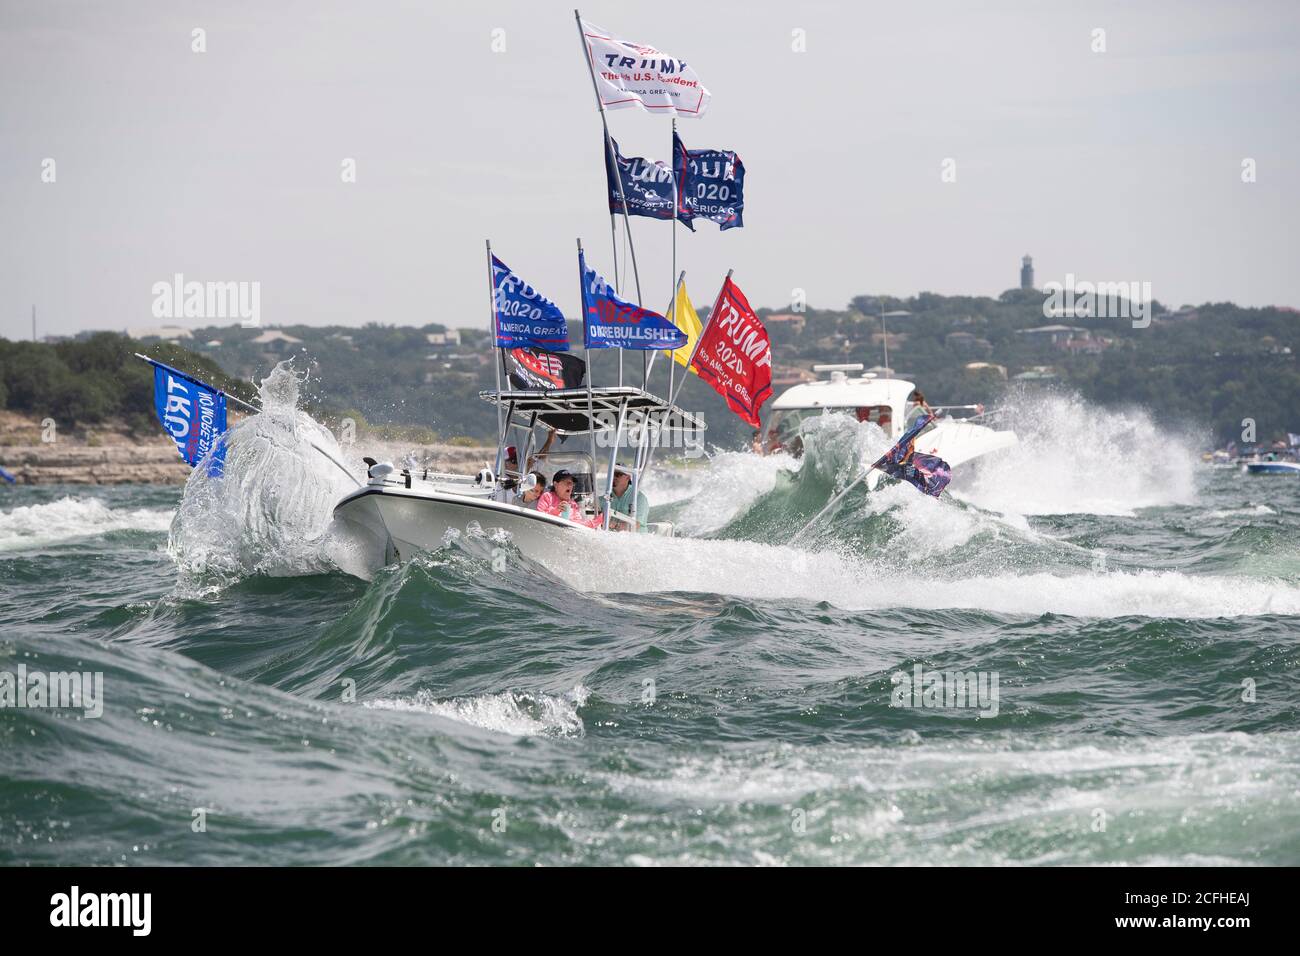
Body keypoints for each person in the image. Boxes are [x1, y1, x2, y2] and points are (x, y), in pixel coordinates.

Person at [536, 469, 602, 528]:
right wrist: (556, 510)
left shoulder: (573, 504)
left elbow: (578, 523)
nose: (570, 486)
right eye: (567, 483)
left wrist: (598, 520)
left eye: (571, 483)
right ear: (556, 484)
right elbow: (540, 517)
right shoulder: (547, 496)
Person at [600, 463, 649, 532]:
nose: (613, 477)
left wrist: (613, 524)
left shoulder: (639, 498)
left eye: (618, 474)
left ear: (628, 478)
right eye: (612, 474)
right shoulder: (602, 500)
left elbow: (635, 525)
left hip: (636, 540)